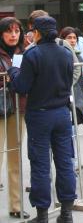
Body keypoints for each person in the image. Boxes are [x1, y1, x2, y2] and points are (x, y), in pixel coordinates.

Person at [8, 16, 76, 223]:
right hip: (62, 113)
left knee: (40, 165)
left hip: (40, 114)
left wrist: (13, 71)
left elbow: (22, 86)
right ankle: (66, 213)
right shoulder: (65, 53)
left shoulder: (32, 54)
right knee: (65, 162)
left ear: (37, 33)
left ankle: (42, 215)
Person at [0, 17, 29, 219]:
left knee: (15, 159)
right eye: (8, 31)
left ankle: (16, 205)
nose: (13, 35)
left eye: (16, 31)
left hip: (18, 109)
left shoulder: (25, 52)